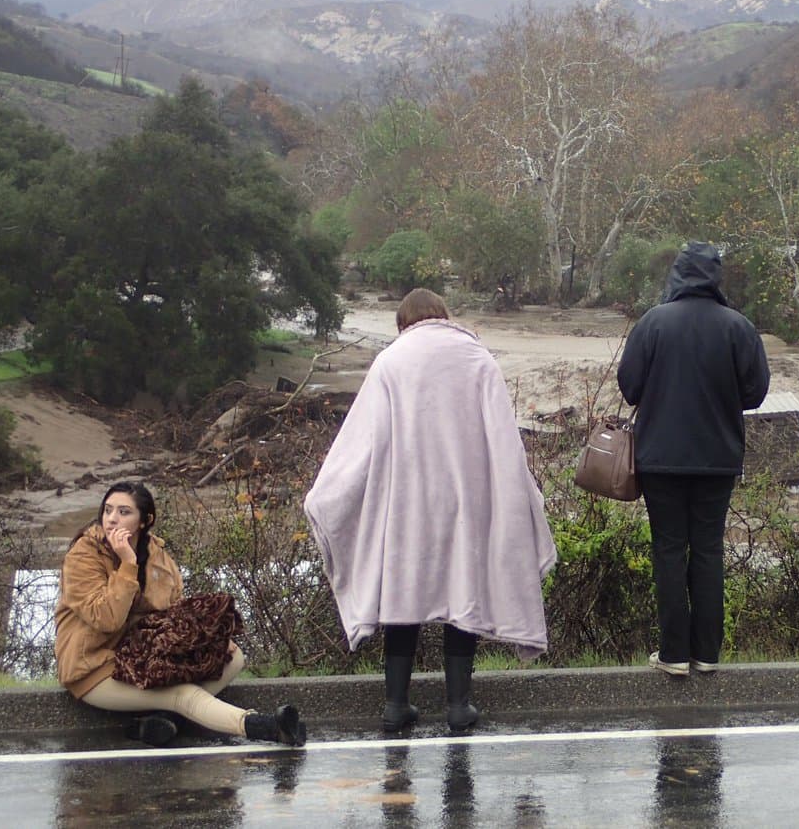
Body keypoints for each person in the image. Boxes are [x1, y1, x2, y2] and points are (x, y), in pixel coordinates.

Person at [304, 288, 557, 732]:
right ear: (444, 316)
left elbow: (362, 444)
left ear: (404, 323)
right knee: (463, 594)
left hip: (407, 506)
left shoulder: (392, 362)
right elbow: (503, 442)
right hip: (467, 501)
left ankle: (395, 705)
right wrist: (520, 498)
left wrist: (328, 496)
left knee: (403, 596)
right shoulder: (479, 360)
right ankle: (459, 706)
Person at [617, 242, 770, 677]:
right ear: (715, 277)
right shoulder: (739, 327)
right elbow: (755, 393)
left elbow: (629, 387)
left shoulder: (653, 323)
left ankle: (672, 655)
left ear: (678, 274)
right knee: (707, 549)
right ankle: (706, 653)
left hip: (660, 459)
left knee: (668, 550)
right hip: (717, 457)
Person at [55, 481, 306, 746]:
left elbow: (170, 612)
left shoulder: (157, 557)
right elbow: (106, 619)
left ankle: (162, 721)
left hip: (141, 655)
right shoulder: (84, 554)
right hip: (95, 667)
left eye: (124, 512)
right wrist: (127, 564)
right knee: (182, 695)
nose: (112, 519)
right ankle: (265, 727)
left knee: (230, 655)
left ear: (144, 520)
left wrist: (194, 634)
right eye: (107, 510)